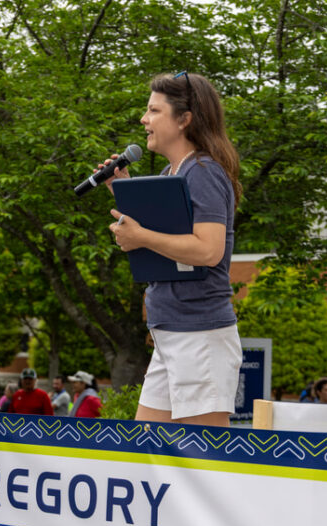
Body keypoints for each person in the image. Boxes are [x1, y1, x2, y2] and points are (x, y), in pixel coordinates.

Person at [103, 71, 242, 427]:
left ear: (184, 120)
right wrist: (124, 192)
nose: (143, 119)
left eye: (153, 111)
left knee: (203, 456)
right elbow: (166, 240)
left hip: (200, 336)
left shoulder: (203, 171)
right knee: (149, 450)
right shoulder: (172, 172)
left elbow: (208, 251)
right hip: (172, 334)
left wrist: (141, 237)